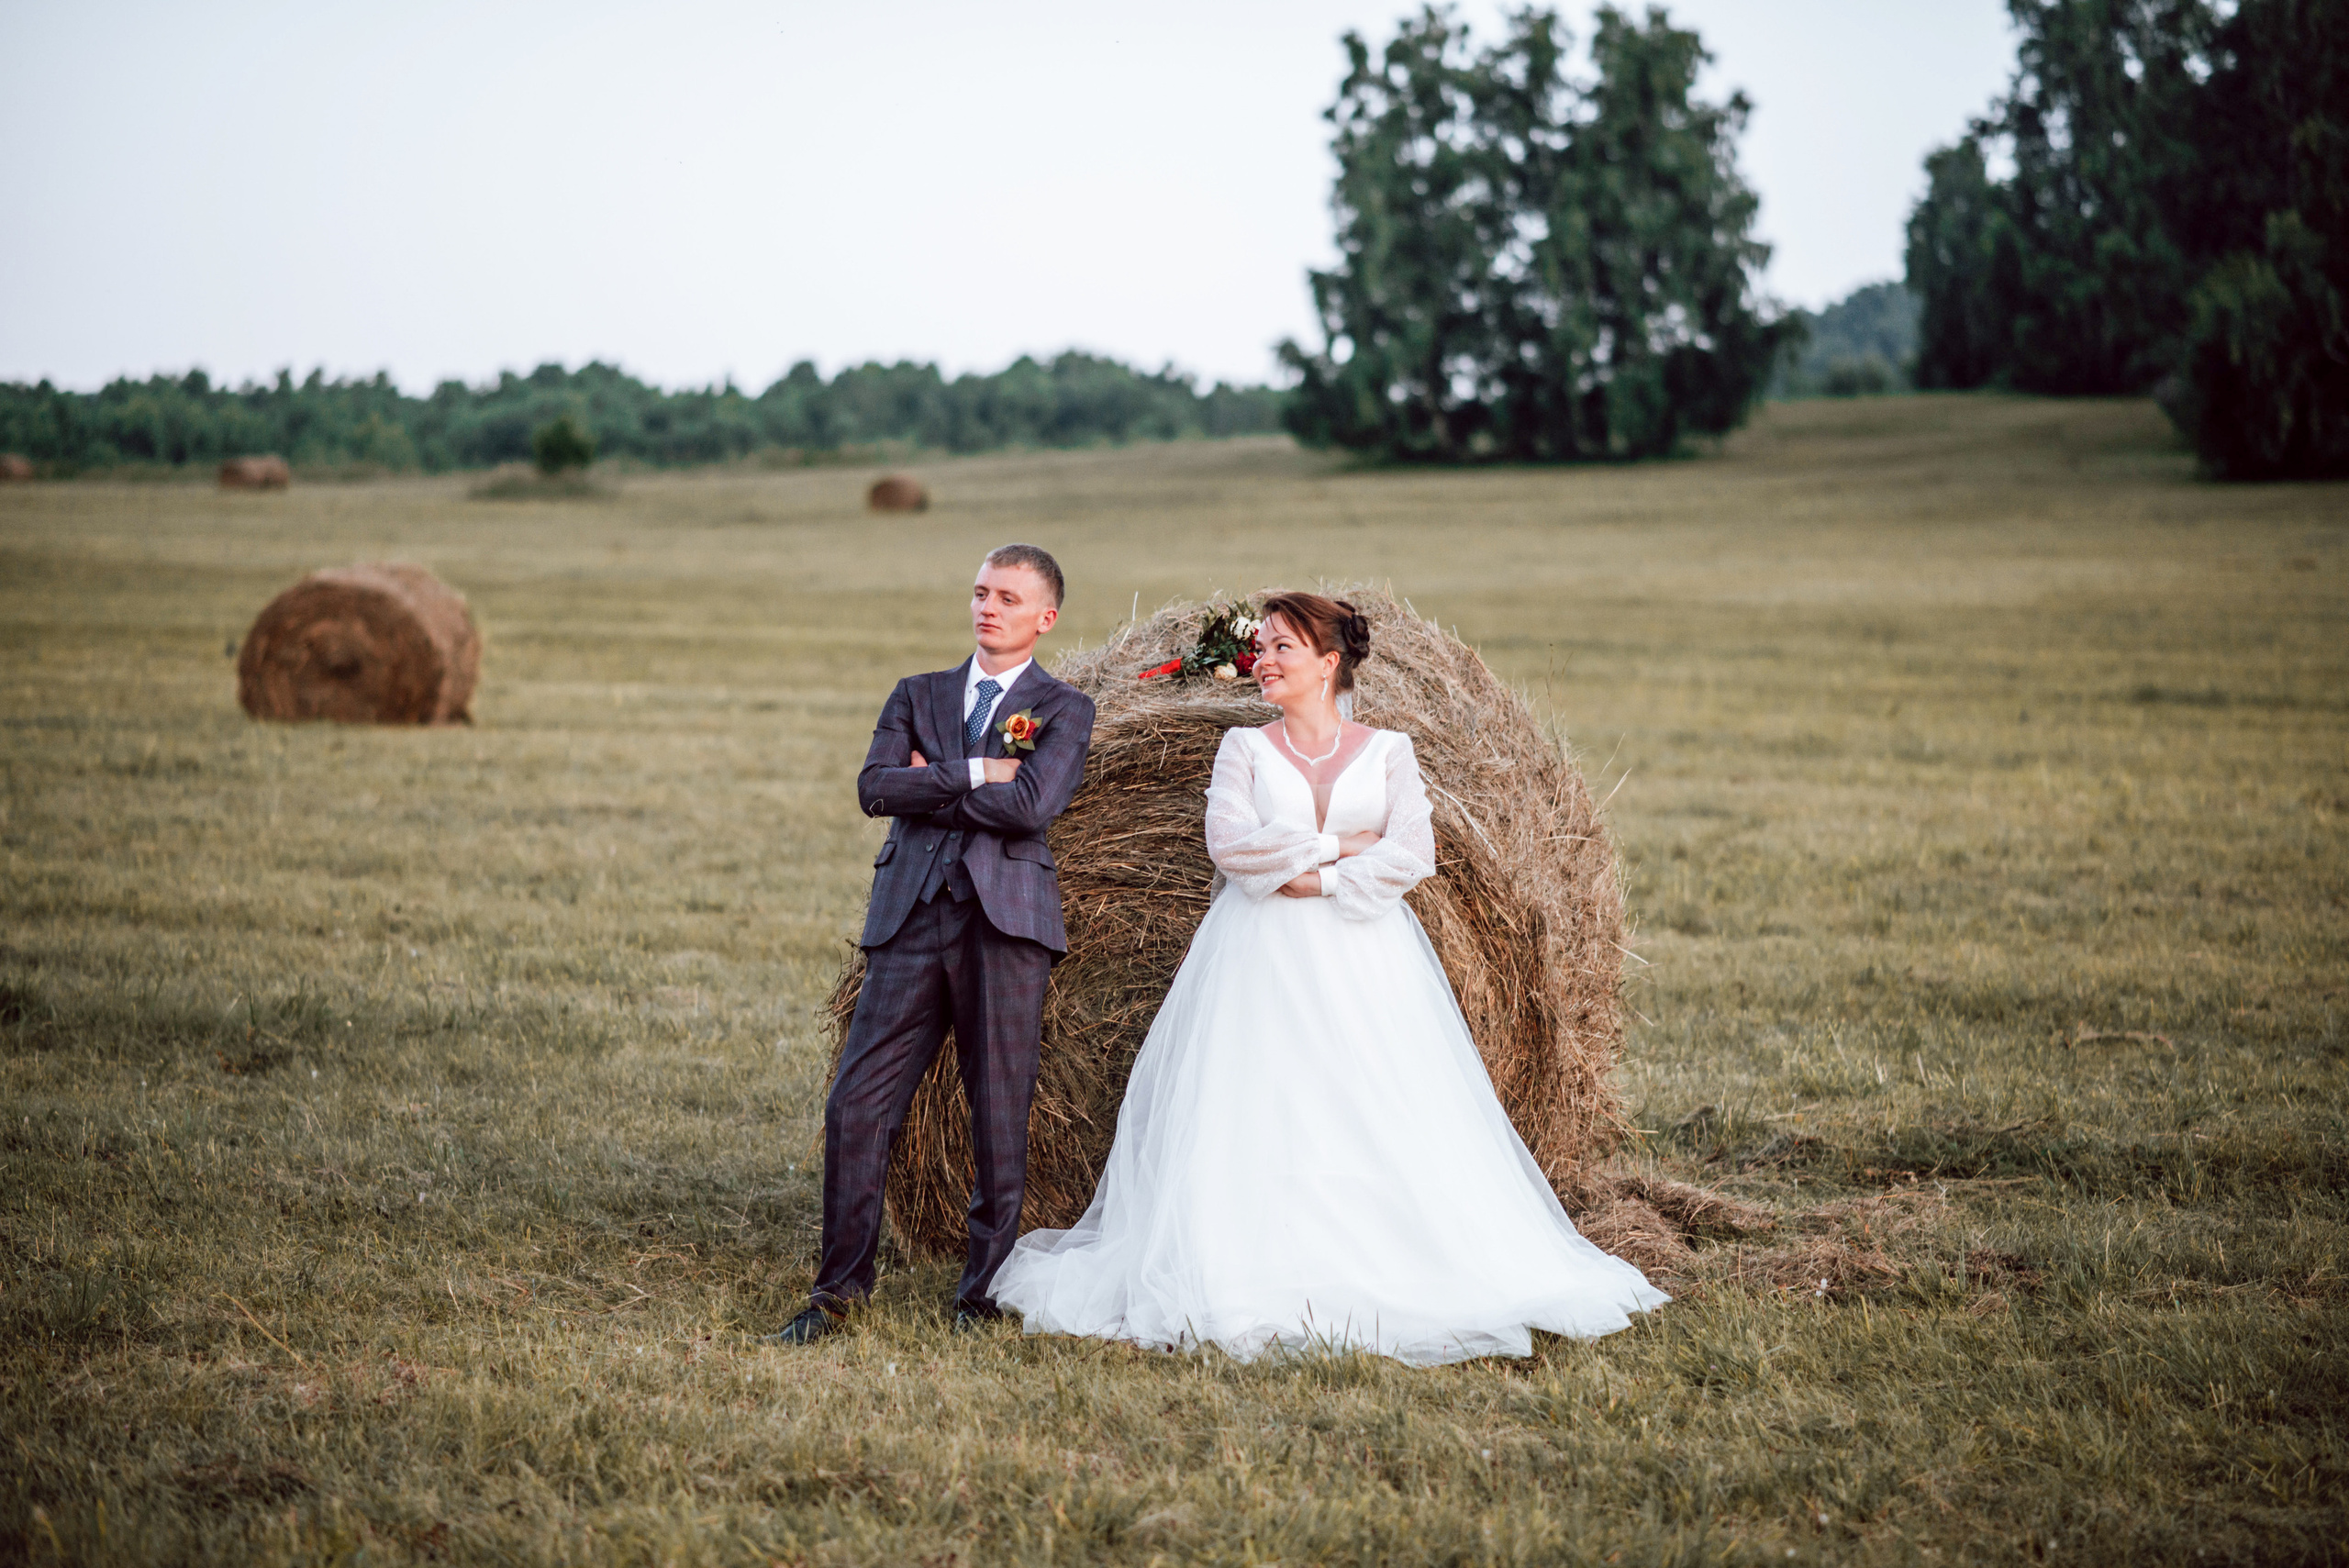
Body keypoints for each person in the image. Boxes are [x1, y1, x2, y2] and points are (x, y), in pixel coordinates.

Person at [990, 592, 1666, 1364]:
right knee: (1260, 1098)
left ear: (1328, 662)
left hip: (1366, 953)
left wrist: (1317, 874)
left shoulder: (1390, 751)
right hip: (1255, 955)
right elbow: (1231, 847)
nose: (1264, 661)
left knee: (1365, 1096)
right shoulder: (1243, 748)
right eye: (1262, 647)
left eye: (1282, 647)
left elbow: (1411, 852)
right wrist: (1344, 844)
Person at [767, 544, 1096, 1344]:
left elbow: (1030, 807)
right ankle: (836, 1292)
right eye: (981, 592)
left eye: (1009, 598)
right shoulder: (917, 692)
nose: (989, 607)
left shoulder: (1065, 708)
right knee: (856, 1101)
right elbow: (875, 788)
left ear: (1045, 617)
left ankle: (981, 1293)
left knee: (999, 1108)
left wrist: (933, 779)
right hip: (909, 918)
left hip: (1006, 925)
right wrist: (978, 770)